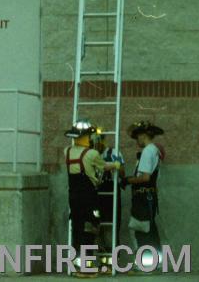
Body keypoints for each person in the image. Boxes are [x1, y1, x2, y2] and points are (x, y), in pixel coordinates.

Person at [64, 119, 122, 278]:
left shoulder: (67, 151)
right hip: (89, 197)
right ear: (86, 137)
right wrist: (116, 165)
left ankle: (77, 266)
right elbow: (104, 166)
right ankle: (87, 268)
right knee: (90, 230)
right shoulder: (92, 154)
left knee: (77, 230)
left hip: (73, 198)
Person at [124, 120, 165, 267]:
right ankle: (157, 263)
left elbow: (145, 177)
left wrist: (128, 180)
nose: (137, 140)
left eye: (137, 137)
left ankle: (146, 264)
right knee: (150, 229)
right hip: (148, 196)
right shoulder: (153, 150)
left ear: (144, 135)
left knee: (142, 229)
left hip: (143, 196)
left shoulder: (148, 151)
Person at [93, 128, 126, 262]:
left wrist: (116, 165)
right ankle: (101, 257)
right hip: (96, 191)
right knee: (97, 224)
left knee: (113, 224)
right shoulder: (91, 154)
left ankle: (112, 259)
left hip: (111, 189)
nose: (96, 144)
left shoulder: (113, 152)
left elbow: (123, 172)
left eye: (98, 140)